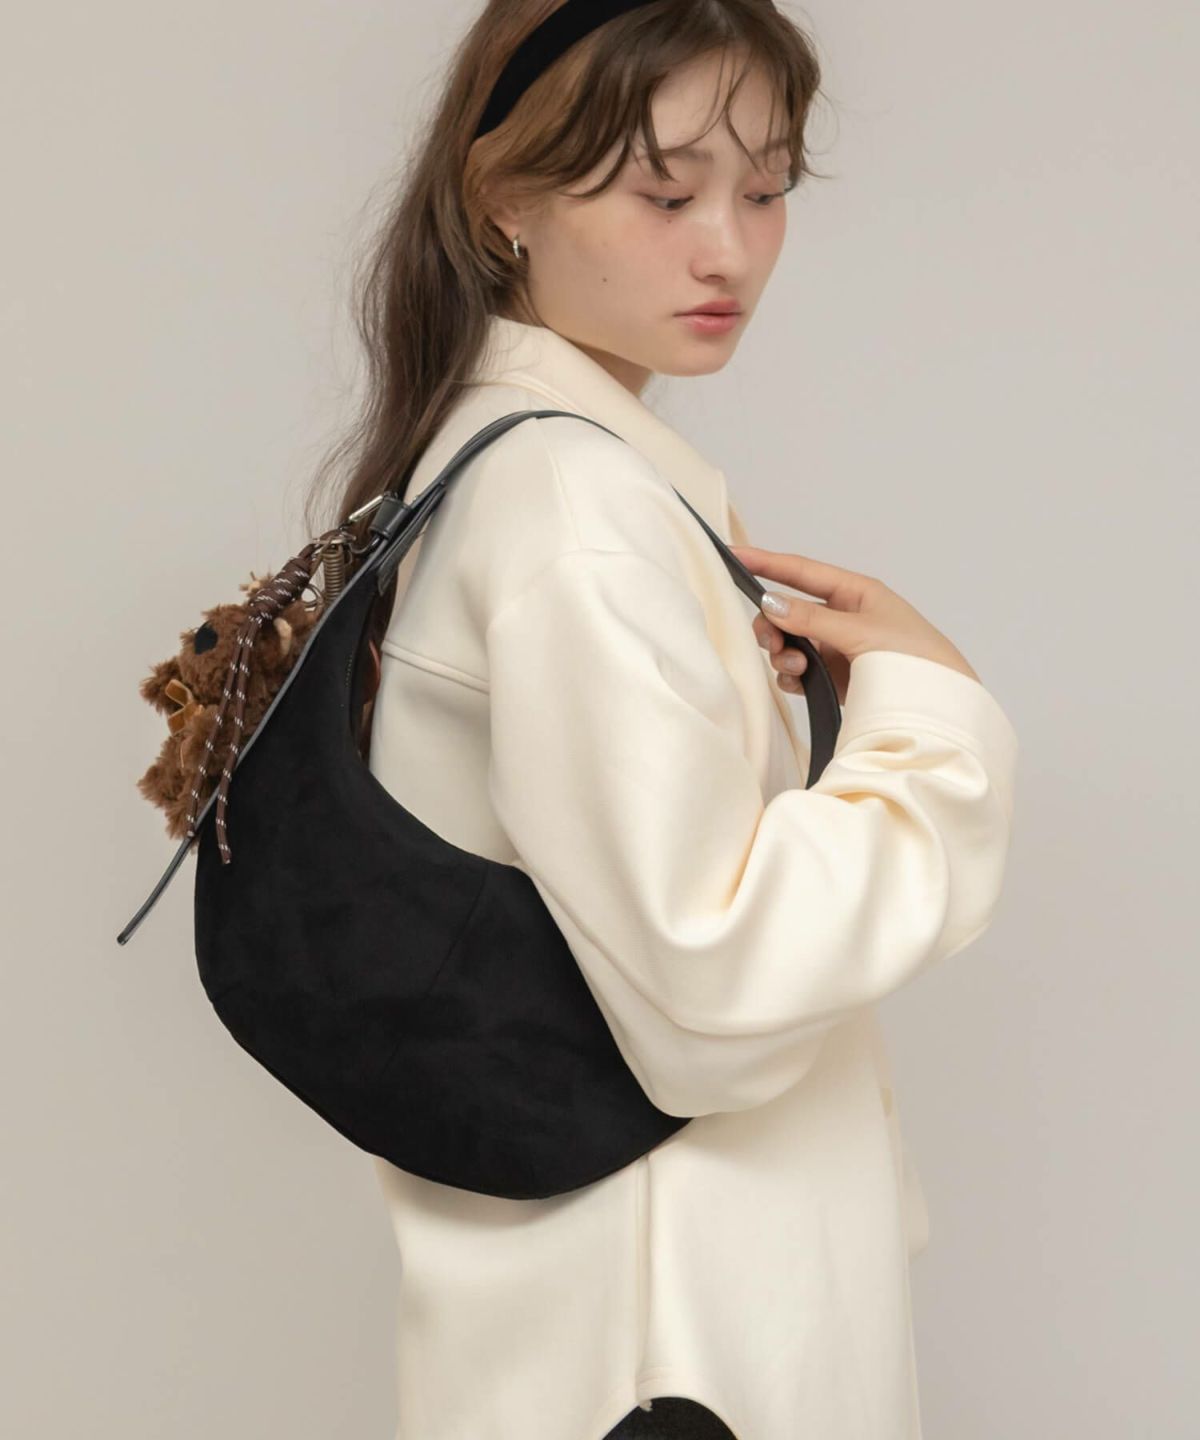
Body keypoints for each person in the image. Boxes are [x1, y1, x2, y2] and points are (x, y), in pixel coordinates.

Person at [306, 3, 1019, 1437]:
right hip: (681, 1340)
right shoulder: (575, 510)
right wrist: (934, 727)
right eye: (665, 191)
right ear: (503, 196)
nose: (730, 251)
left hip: (639, 1310)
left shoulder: (516, 470)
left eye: (766, 189)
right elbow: (712, 986)